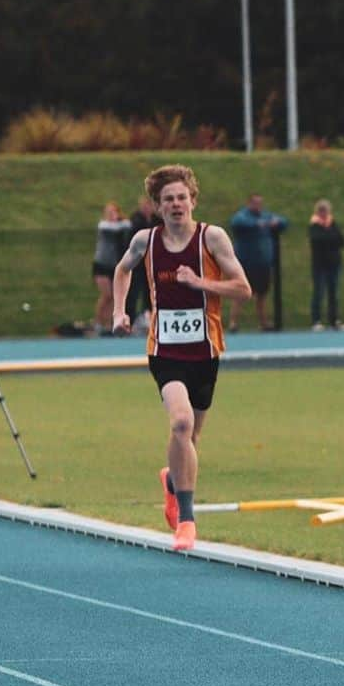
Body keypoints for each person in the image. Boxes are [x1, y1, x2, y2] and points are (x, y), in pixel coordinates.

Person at [112, 165, 251, 551]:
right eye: (167, 199)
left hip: (205, 351)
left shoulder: (212, 238)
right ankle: (187, 520)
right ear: (157, 206)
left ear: (193, 200)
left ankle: (173, 481)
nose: (176, 204)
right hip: (165, 351)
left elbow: (243, 288)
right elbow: (122, 271)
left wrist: (200, 282)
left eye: (181, 197)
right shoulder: (146, 241)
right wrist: (118, 312)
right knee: (180, 424)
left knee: (191, 438)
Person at [226, 193, 288, 332]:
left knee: (262, 294)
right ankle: (233, 323)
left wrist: (275, 222)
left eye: (260, 203)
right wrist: (257, 224)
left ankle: (263, 323)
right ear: (249, 203)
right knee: (240, 293)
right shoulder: (243, 216)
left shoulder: (265, 216)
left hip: (263, 263)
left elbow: (283, 222)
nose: (258, 206)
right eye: (255, 203)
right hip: (246, 263)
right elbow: (236, 222)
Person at [308, 198, 344, 331]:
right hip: (320, 265)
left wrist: (329, 237)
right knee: (318, 292)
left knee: (333, 293)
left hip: (334, 263)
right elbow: (318, 240)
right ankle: (316, 320)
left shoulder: (332, 223)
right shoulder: (314, 225)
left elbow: (341, 240)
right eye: (321, 211)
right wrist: (330, 238)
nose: (324, 213)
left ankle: (334, 320)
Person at [92, 202, 131, 334]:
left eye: (114, 212)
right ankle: (97, 322)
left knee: (114, 297)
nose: (111, 215)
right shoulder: (104, 225)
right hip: (101, 265)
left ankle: (108, 324)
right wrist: (124, 222)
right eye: (109, 212)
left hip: (113, 266)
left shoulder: (120, 226)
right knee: (106, 295)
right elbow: (119, 227)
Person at [124, 194, 160, 334]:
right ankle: (129, 322)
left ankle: (152, 321)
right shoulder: (135, 220)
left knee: (150, 293)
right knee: (133, 293)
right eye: (144, 205)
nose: (147, 208)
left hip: (151, 264)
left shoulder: (158, 220)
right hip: (137, 264)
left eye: (149, 205)